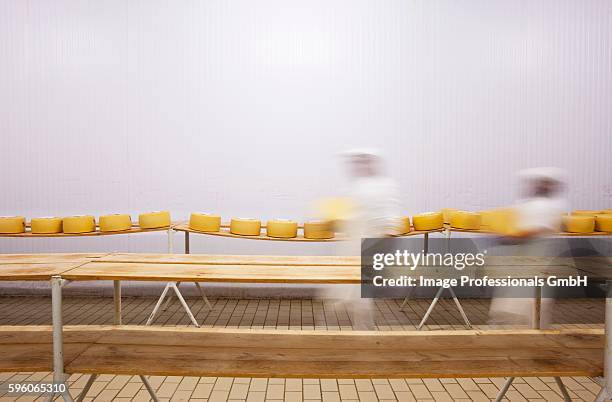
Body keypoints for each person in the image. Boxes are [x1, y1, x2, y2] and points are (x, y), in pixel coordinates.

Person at [319, 148, 404, 329]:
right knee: (350, 286)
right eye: (356, 163)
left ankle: (358, 325)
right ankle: (351, 323)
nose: (358, 166)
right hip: (353, 244)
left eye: (363, 162)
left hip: (372, 242)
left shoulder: (385, 186)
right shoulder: (355, 186)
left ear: (372, 163)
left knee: (358, 287)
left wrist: (385, 237)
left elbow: (390, 217)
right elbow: (348, 214)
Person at [488, 167, 567, 328]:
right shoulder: (534, 205)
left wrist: (506, 238)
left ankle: (522, 339)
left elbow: (532, 231)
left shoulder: (544, 207)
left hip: (533, 263)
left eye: (542, 184)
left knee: (521, 306)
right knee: (521, 304)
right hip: (526, 264)